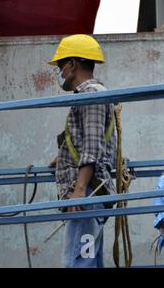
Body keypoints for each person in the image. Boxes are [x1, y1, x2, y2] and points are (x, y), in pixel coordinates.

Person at [48, 34, 117, 268]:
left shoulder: (91, 94)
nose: (59, 72)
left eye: (60, 66)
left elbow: (92, 145)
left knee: (78, 261)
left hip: (87, 193)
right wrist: (64, 156)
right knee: (89, 260)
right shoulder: (92, 94)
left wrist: (79, 190)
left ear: (72, 64)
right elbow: (90, 139)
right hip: (90, 193)